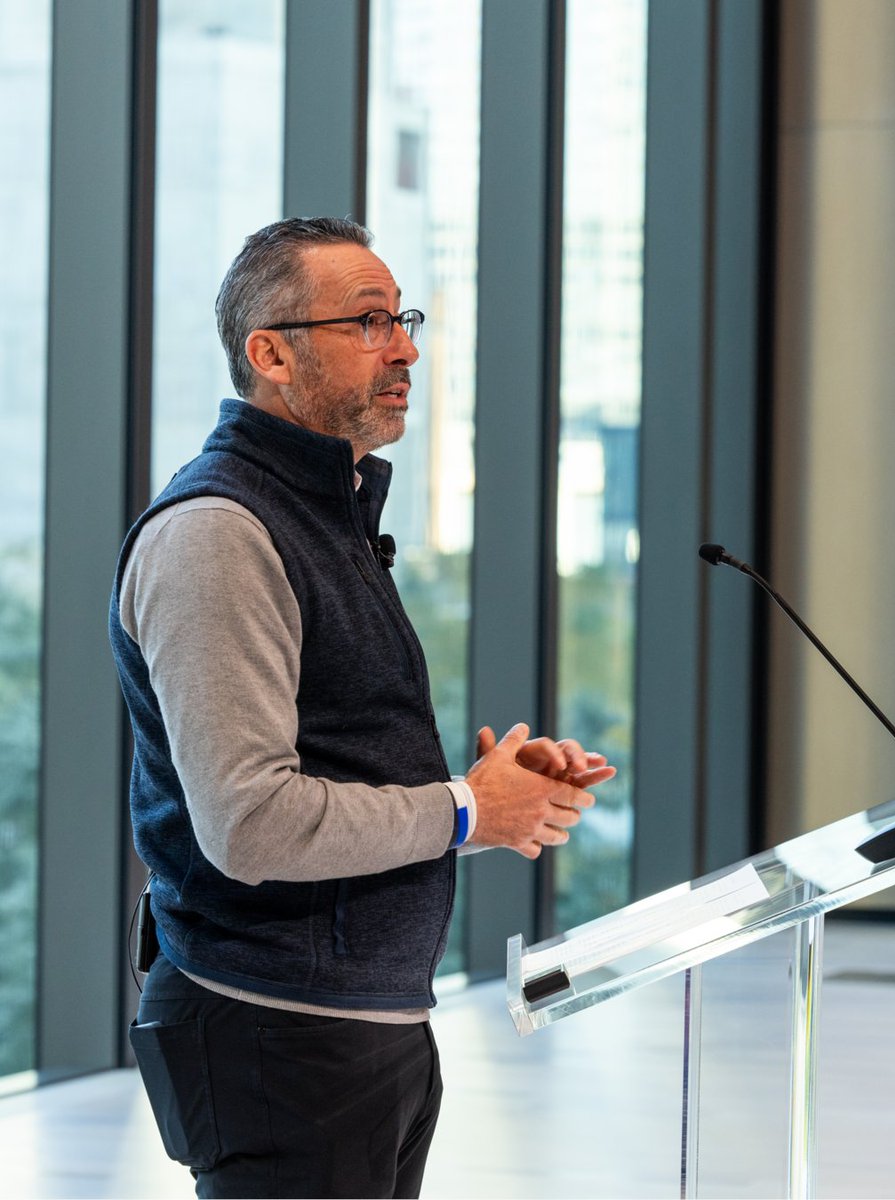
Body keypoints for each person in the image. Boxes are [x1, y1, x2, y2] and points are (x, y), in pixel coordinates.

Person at [109, 216, 615, 1200]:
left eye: (404, 318)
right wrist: (465, 809)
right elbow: (250, 825)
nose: (407, 347)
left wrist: (495, 798)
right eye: (370, 322)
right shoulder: (218, 533)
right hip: (272, 1031)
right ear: (271, 354)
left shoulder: (322, 512)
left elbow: (337, 765)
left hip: (359, 1028)